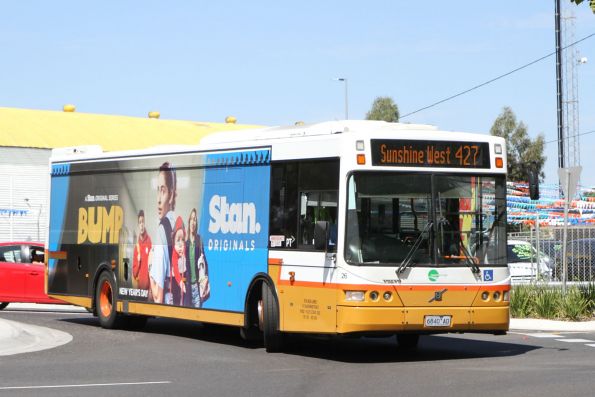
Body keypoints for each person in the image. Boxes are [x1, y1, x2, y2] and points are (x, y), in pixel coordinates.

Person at [149, 162, 176, 304]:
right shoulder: (178, 224)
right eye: (158, 190)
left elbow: (158, 297)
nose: (158, 199)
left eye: (163, 191)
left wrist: (149, 269)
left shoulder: (161, 231)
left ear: (171, 195)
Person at [185, 208, 210, 308]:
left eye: (195, 219)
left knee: (197, 315)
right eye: (191, 219)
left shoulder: (199, 240)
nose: (193, 222)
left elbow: (205, 263)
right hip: (187, 287)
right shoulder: (185, 242)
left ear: (196, 223)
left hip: (197, 286)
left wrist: (205, 279)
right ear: (189, 222)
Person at [132, 210, 152, 294]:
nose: (141, 225)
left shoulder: (149, 241)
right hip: (139, 290)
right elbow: (134, 273)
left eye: (143, 222)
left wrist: (151, 288)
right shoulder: (137, 247)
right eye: (140, 222)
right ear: (138, 225)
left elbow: (152, 267)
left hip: (148, 289)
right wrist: (138, 261)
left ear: (145, 223)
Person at [170, 216, 187, 306]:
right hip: (176, 277)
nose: (180, 244)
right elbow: (175, 270)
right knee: (176, 294)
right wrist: (180, 282)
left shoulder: (184, 249)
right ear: (174, 241)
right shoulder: (174, 253)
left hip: (183, 275)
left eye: (182, 240)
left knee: (183, 295)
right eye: (178, 240)